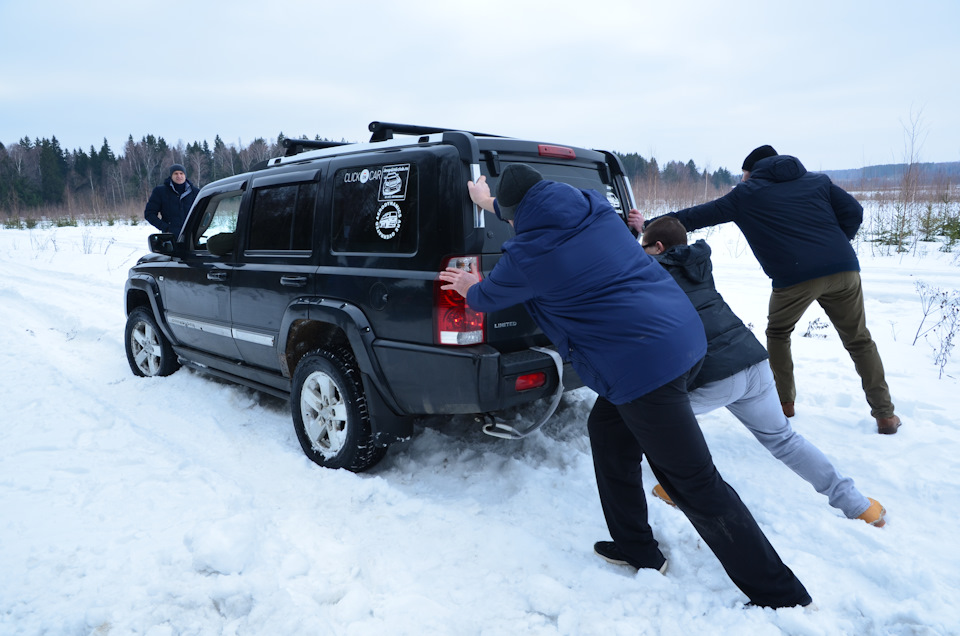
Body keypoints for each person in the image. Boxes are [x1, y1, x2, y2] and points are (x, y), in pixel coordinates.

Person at [440, 164, 812, 609]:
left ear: (519, 215)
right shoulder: (594, 209)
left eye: (510, 216)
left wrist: (467, 284)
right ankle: (637, 547)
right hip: (680, 337)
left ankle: (781, 596)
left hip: (644, 368)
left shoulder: (531, 254)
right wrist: (489, 201)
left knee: (695, 483)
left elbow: (486, 296)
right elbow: (519, 206)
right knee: (609, 433)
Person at [637, 215, 886, 526]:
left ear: (657, 248)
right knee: (784, 439)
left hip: (716, 373)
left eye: (643, 247)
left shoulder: (653, 272)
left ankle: (678, 489)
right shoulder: (699, 265)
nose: (640, 252)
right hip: (753, 362)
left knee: (650, 418)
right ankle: (859, 505)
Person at [640, 145, 900, 435]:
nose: (741, 180)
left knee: (778, 333)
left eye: (743, 175)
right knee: (859, 340)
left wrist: (647, 226)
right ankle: (885, 415)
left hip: (794, 278)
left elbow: (692, 217)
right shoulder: (818, 181)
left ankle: (784, 401)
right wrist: (835, 246)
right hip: (844, 271)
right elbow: (854, 211)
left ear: (751, 172)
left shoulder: (747, 194)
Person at [144, 163, 198, 235]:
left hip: (192, 237)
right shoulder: (160, 192)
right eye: (176, 173)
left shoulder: (195, 192)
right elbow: (149, 214)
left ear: (185, 175)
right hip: (170, 238)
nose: (179, 176)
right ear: (171, 176)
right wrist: (165, 228)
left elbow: (205, 212)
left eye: (181, 173)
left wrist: (198, 227)